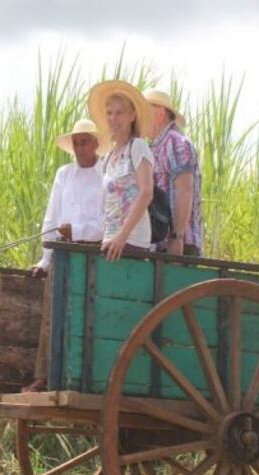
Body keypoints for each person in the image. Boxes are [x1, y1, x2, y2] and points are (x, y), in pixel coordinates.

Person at [22, 118, 108, 393]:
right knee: (52, 315)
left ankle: (91, 379)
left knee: (90, 315)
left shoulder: (106, 175)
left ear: (96, 143)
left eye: (85, 142)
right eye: (76, 143)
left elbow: (108, 223)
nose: (81, 148)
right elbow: (51, 218)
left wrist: (79, 230)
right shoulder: (64, 174)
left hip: (95, 255)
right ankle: (43, 376)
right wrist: (45, 260)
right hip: (62, 254)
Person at [87, 80, 155, 261]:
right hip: (111, 238)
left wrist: (122, 236)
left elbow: (146, 192)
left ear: (132, 116)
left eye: (119, 113)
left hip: (132, 239)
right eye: (109, 113)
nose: (113, 118)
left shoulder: (138, 146)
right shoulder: (109, 156)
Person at [144, 89, 204, 256]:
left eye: (144, 111)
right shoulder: (155, 146)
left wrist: (177, 237)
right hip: (161, 241)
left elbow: (184, 190)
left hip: (178, 243)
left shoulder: (175, 142)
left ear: (160, 114)